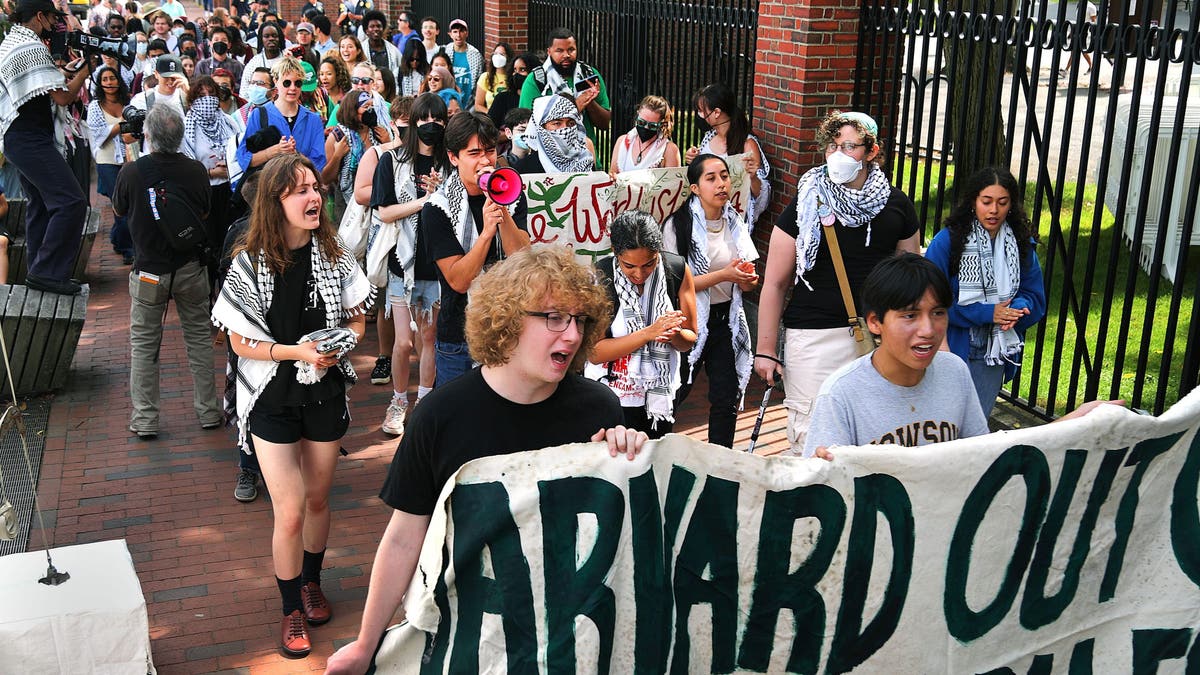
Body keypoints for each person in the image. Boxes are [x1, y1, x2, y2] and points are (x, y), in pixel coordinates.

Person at [323, 246, 646, 675]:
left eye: (579, 320)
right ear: (508, 321)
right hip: (472, 636)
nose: (570, 335)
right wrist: (366, 644)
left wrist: (628, 460)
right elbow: (404, 536)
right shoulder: (440, 416)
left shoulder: (599, 410)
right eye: (552, 318)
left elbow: (621, 540)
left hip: (568, 639)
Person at [211, 153, 371, 658]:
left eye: (315, 188)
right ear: (275, 202)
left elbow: (359, 320)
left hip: (322, 390)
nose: (314, 197)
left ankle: (312, 581)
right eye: (299, 190)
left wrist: (335, 347)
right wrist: (296, 352)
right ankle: (290, 610)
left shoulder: (335, 256)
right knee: (290, 509)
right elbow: (238, 343)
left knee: (319, 499)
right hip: (270, 397)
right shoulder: (250, 262)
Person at [754, 110, 921, 454]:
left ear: (872, 152)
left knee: (870, 436)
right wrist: (766, 350)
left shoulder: (897, 206)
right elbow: (775, 283)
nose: (837, 155)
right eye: (832, 146)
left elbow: (913, 285)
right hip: (814, 337)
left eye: (848, 146)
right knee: (811, 437)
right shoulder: (806, 201)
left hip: (876, 341)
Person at [804, 253, 990, 456]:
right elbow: (823, 481)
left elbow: (981, 454)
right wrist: (817, 471)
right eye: (910, 316)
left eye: (938, 313)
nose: (927, 330)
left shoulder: (955, 371)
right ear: (875, 322)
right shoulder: (840, 394)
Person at [113, 105, 223, 438]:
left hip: (148, 270)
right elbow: (204, 212)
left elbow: (119, 209)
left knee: (144, 347)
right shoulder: (195, 170)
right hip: (190, 267)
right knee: (200, 342)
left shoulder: (132, 172)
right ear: (179, 136)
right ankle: (208, 411)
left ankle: (145, 419)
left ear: (147, 135)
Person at [924, 167, 1046, 417]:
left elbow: (1035, 297)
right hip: (952, 345)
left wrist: (1018, 308)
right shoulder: (946, 242)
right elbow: (930, 302)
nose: (994, 210)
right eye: (986, 202)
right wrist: (988, 313)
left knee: (975, 428)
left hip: (994, 351)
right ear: (973, 202)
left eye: (1002, 203)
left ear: (1011, 205)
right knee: (940, 424)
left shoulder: (1022, 245)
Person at [421, 111, 530, 385]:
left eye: (490, 151)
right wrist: (485, 234)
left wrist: (501, 209)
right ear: (453, 157)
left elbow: (522, 257)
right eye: (474, 153)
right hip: (458, 339)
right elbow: (458, 280)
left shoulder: (511, 192)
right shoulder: (437, 208)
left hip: (507, 329)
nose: (485, 161)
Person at [663, 154, 758, 448]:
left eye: (725, 176)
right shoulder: (678, 225)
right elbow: (676, 283)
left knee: (725, 396)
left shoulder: (735, 221)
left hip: (727, 319)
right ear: (695, 188)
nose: (721, 184)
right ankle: (657, 450)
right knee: (675, 391)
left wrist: (746, 280)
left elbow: (747, 278)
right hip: (688, 320)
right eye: (711, 178)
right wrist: (725, 275)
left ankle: (721, 461)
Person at [0, 0, 93, 294]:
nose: (56, 25)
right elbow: (63, 98)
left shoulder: (13, 42)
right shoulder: (32, 47)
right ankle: (48, 273)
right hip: (28, 139)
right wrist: (86, 70)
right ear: (39, 16)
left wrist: (63, 71)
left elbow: (40, 86)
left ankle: (40, 272)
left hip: (19, 139)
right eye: (53, 18)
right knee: (71, 201)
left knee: (40, 205)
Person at [370, 93, 448, 434]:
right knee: (403, 342)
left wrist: (442, 194)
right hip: (403, 263)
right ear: (413, 123)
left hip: (439, 265)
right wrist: (424, 202)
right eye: (424, 119)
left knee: (429, 337)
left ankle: (426, 404)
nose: (431, 125)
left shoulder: (451, 164)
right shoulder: (393, 162)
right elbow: (384, 211)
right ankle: (399, 401)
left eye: (438, 119)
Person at [587, 210, 697, 436]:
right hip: (609, 396)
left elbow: (689, 341)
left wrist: (673, 334)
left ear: (658, 252)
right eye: (629, 266)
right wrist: (649, 333)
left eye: (649, 264)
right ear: (614, 253)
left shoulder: (676, 269)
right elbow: (594, 352)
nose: (639, 274)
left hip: (659, 400)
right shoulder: (600, 277)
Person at [685, 82, 771, 225]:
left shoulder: (747, 144)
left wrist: (753, 177)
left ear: (717, 113)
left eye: (701, 110)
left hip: (730, 221)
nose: (699, 115)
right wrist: (692, 160)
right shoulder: (709, 137)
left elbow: (760, 197)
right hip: (703, 217)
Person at [183, 76, 240, 288]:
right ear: (192, 99)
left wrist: (230, 170)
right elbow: (185, 165)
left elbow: (241, 151)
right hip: (203, 195)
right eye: (201, 96)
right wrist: (210, 172)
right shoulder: (186, 127)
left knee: (229, 243)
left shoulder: (228, 122)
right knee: (207, 246)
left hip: (228, 191)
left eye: (211, 95)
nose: (207, 100)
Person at [519, 27, 610, 148]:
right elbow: (530, 127)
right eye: (559, 51)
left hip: (586, 155)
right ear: (549, 52)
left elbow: (604, 124)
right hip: (550, 158)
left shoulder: (589, 74)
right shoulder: (536, 80)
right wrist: (576, 105)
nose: (566, 55)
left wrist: (590, 101)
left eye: (571, 50)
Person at [236, 55, 327, 177]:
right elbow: (244, 159)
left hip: (301, 187)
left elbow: (319, 164)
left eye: (298, 83)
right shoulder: (259, 114)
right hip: (268, 188)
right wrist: (275, 151)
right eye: (287, 83)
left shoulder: (313, 120)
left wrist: (296, 155)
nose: (292, 88)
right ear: (275, 81)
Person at [87, 64, 137, 265]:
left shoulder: (129, 103)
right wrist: (120, 126)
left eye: (112, 78)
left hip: (130, 158)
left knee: (132, 202)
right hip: (107, 160)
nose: (109, 83)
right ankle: (127, 248)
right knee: (119, 204)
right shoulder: (94, 107)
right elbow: (99, 135)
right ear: (100, 83)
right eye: (105, 79)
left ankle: (118, 238)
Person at [512, 93, 595, 174]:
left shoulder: (585, 162)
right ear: (542, 128)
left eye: (571, 124)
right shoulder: (524, 169)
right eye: (557, 123)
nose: (565, 129)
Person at [610, 94, 680, 174]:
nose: (645, 128)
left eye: (652, 126)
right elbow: (612, 176)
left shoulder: (669, 150)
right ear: (637, 114)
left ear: (661, 124)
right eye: (641, 122)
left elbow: (673, 183)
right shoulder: (622, 142)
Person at [486, 51, 535, 129]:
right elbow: (488, 131)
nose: (516, 74)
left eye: (522, 70)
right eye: (514, 70)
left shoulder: (540, 100)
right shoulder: (502, 98)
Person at [239, 21, 284, 96]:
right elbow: (244, 93)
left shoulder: (287, 59)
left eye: (274, 36)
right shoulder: (254, 63)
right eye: (266, 36)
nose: (271, 39)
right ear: (261, 39)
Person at [197, 25, 245, 90]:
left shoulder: (237, 66)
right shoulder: (202, 65)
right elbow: (197, 87)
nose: (220, 42)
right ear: (210, 43)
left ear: (229, 45)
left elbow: (242, 87)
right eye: (216, 40)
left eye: (224, 40)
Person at [444, 18, 482, 96]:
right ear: (450, 34)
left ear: (467, 33)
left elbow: (479, 80)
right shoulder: (445, 52)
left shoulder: (476, 55)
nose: (458, 35)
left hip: (469, 100)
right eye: (455, 31)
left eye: (461, 31)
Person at [473, 41, 510, 113]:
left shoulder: (513, 77)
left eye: (502, 54)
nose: (498, 57)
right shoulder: (485, 77)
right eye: (495, 53)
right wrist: (492, 115)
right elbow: (478, 105)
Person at [361, 9, 400, 76]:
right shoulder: (361, 49)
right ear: (366, 31)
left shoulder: (394, 51)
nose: (376, 29)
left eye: (378, 26)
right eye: (372, 26)